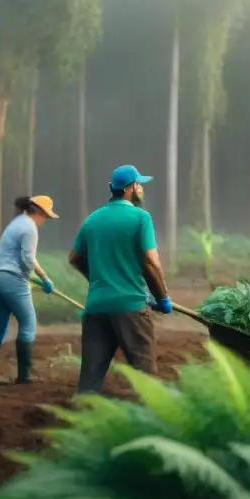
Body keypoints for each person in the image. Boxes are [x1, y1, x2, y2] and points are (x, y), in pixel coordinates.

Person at [69, 165, 171, 394]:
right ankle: (148, 425)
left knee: (90, 378)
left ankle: (85, 423)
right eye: (139, 184)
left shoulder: (92, 219)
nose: (141, 189)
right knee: (146, 376)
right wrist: (162, 297)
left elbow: (74, 258)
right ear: (130, 188)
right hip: (131, 306)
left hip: (97, 306)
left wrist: (99, 279)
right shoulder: (140, 217)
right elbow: (150, 262)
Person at [0, 195, 59, 387]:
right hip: (14, 281)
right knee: (28, 324)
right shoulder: (30, 228)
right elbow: (28, 260)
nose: (44, 221)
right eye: (45, 217)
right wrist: (44, 279)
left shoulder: (16, 223)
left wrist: (35, 279)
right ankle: (24, 376)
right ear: (39, 212)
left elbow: (19, 259)